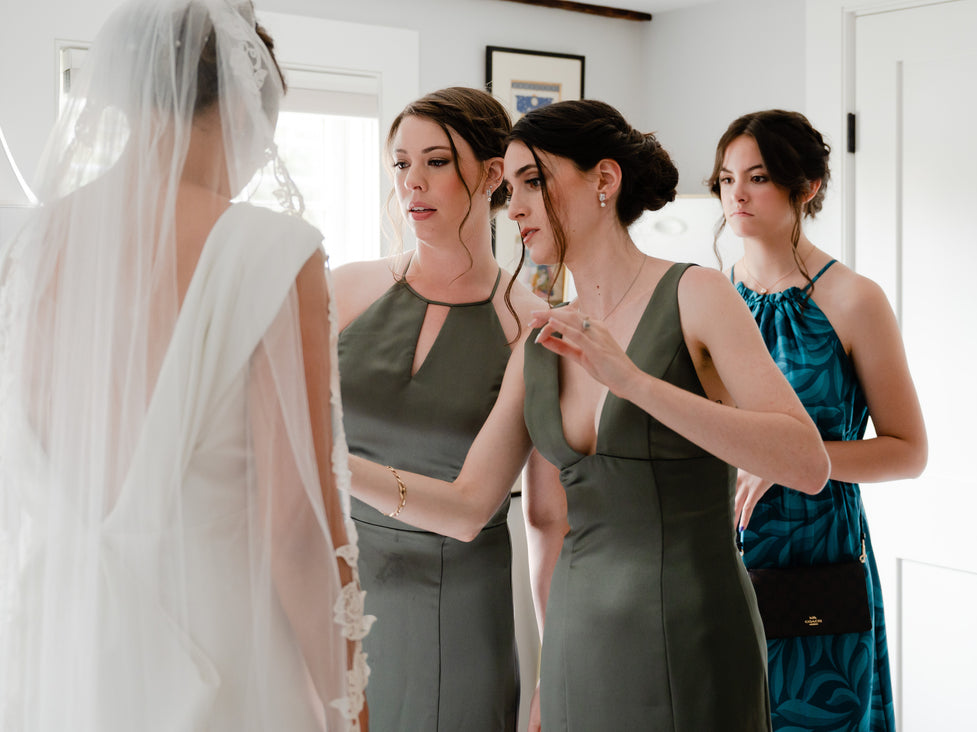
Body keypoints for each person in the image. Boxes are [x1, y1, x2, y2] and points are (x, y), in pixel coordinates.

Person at [347, 99, 831, 732]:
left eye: (534, 181)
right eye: (511, 185)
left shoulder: (696, 294)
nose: (514, 206)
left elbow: (806, 463)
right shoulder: (540, 339)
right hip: (577, 645)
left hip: (691, 631)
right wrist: (331, 460)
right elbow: (475, 507)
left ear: (604, 180)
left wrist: (632, 381)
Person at [0, 1, 370, 730]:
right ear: (243, 106)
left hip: (65, 662)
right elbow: (295, 526)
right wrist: (347, 701)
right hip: (226, 661)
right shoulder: (267, 251)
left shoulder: (28, 247)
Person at [331, 87, 553, 732]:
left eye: (435, 161)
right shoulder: (343, 289)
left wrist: (550, 676)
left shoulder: (532, 325)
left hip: (455, 611)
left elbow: (524, 515)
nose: (413, 183)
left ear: (491, 174)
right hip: (330, 588)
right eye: (401, 164)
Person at [708, 109, 927, 732]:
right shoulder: (710, 298)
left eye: (758, 177)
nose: (736, 195)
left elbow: (908, 450)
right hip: (723, 548)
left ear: (806, 188)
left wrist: (793, 462)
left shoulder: (853, 300)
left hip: (818, 550)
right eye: (726, 179)